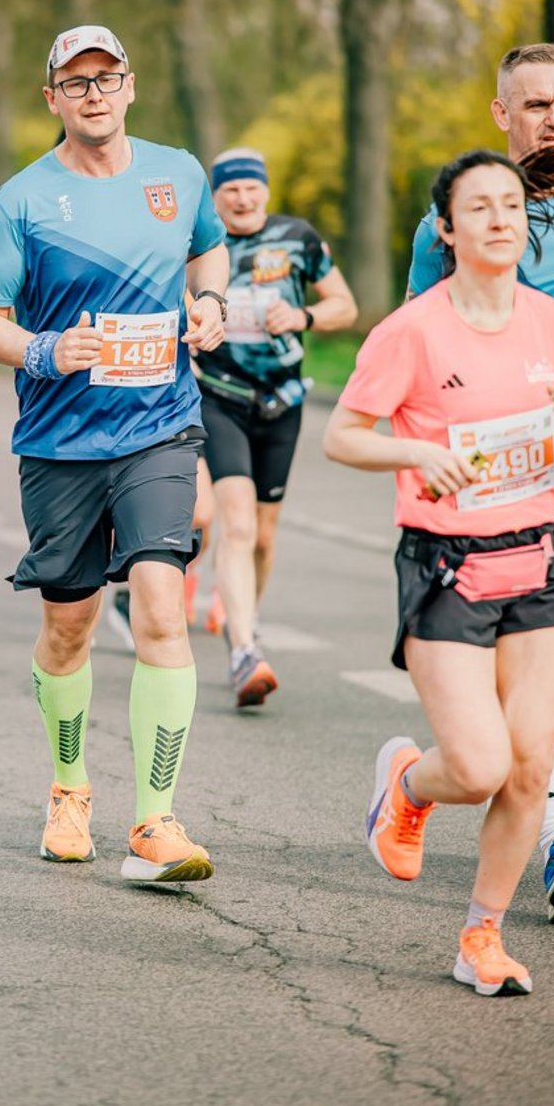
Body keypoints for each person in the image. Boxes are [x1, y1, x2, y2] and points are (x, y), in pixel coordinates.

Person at [0, 24, 230, 884]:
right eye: (74, 82)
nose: (93, 92)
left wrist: (213, 303)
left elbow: (208, 248)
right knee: (69, 625)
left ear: (129, 85)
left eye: (106, 77)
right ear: (53, 98)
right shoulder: (22, 201)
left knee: (161, 605)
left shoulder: (177, 172)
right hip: (61, 443)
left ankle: (155, 819)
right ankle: (70, 786)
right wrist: (46, 351)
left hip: (159, 424)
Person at [324, 149, 554, 996]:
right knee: (476, 766)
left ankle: (482, 935)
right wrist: (415, 451)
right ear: (447, 227)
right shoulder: (414, 330)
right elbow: (344, 433)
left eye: (511, 204)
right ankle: (408, 782)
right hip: (447, 565)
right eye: (479, 207)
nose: (501, 218)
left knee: (532, 766)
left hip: (540, 558)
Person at [408, 43, 554, 925]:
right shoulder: (463, 219)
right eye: (537, 104)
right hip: (505, 491)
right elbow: (416, 353)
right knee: (533, 688)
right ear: (500, 114)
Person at [191, 147, 357, 707]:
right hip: (220, 397)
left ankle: (246, 620)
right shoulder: (200, 246)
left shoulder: (297, 239)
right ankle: (243, 650)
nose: (242, 197)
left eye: (251, 188)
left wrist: (304, 316)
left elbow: (344, 305)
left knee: (263, 534)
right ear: (216, 196)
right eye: (230, 189)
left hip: (281, 401)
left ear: (265, 191)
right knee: (235, 526)